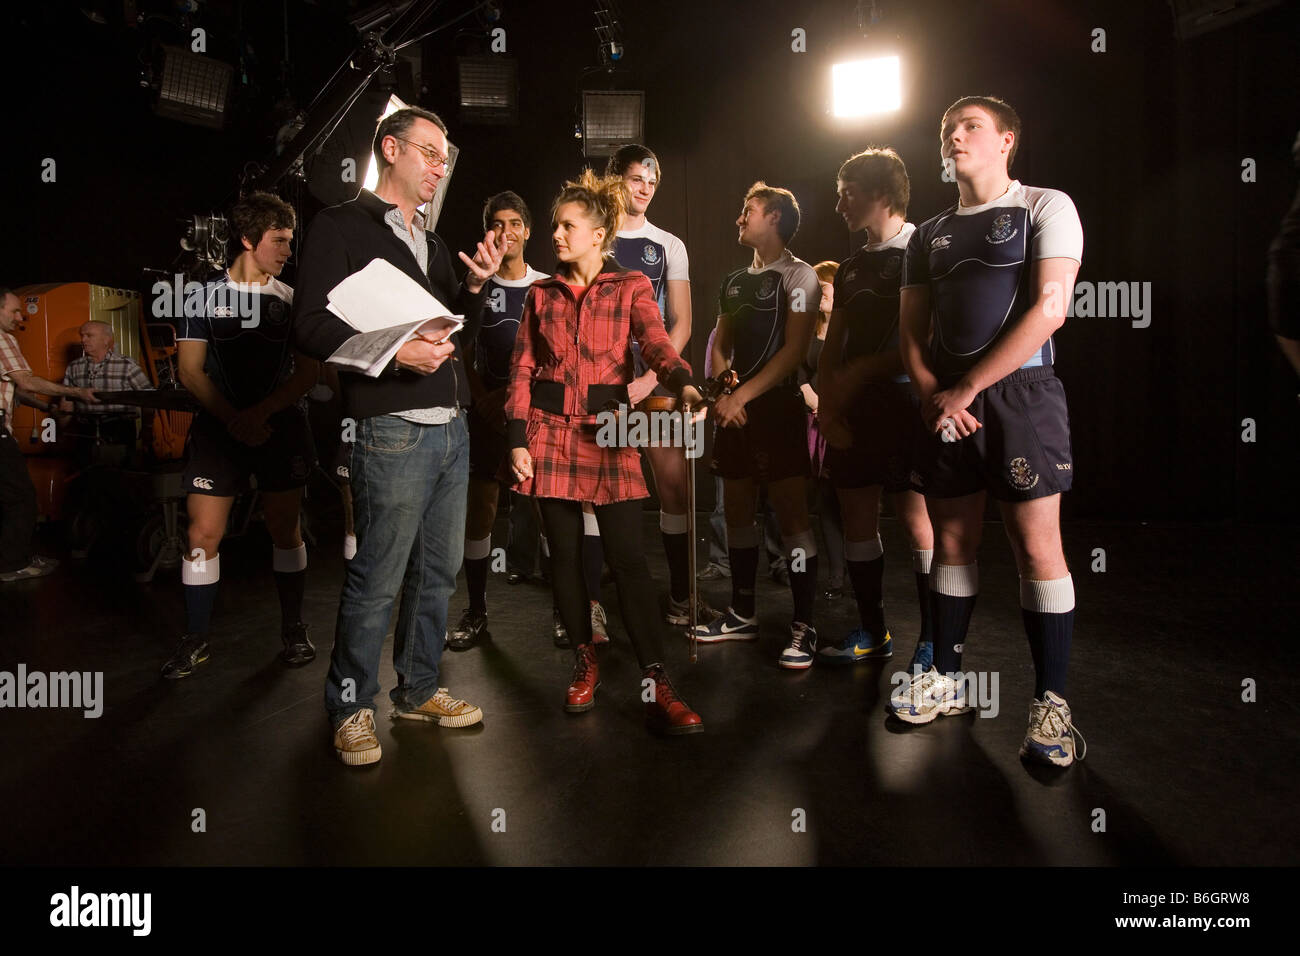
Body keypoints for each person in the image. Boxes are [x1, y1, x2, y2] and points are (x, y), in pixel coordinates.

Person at [294, 106, 503, 766]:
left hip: (452, 431)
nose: (441, 167)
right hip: (390, 431)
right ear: (391, 149)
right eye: (430, 153)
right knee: (377, 579)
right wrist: (392, 354)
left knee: (436, 576)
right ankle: (351, 705)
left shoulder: (435, 245)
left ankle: (416, 689)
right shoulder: (339, 225)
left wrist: (471, 287)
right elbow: (309, 326)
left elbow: (445, 330)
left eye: (446, 158)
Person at [892, 96, 1086, 768]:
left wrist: (968, 389)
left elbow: (1051, 309)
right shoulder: (928, 233)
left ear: (1007, 138)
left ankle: (1051, 707)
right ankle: (943, 676)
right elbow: (910, 331)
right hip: (946, 404)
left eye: (970, 125)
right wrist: (931, 395)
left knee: (1037, 548)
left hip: (1020, 397)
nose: (955, 135)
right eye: (948, 128)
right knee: (951, 540)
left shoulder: (1045, 205)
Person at [506, 168, 705, 734]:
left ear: (599, 234)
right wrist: (516, 439)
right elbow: (521, 368)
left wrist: (685, 382)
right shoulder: (540, 293)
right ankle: (584, 659)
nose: (557, 236)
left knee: (629, 561)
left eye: (568, 226)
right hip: (549, 430)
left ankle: (658, 678)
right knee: (565, 560)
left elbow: (658, 345)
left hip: (610, 429)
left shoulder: (631, 286)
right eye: (555, 226)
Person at [163, 190, 321, 679]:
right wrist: (235, 419)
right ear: (249, 239)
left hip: (279, 427)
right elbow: (191, 372)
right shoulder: (201, 298)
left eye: (291, 242)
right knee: (200, 535)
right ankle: (195, 637)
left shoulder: (293, 302)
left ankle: (293, 627)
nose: (288, 251)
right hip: (219, 430)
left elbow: (308, 372)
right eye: (280, 241)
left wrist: (261, 415)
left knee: (285, 530)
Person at [695, 183, 823, 671]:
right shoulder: (732, 282)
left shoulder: (800, 275)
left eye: (747, 211)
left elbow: (794, 351)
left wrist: (742, 395)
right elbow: (721, 343)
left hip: (777, 411)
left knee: (792, 520)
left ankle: (804, 623)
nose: (739, 219)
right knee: (738, 515)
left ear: (773, 217)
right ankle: (742, 612)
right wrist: (726, 389)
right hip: (734, 411)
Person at [817, 148, 936, 671]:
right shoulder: (848, 267)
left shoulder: (924, 249)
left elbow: (926, 339)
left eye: (848, 190)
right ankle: (873, 630)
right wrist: (827, 406)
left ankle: (934, 641)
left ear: (882, 194)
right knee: (857, 517)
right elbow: (831, 346)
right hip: (853, 408)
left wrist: (862, 371)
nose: (839, 201)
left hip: (908, 402)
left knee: (917, 522)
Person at [606, 145, 717, 628]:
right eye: (635, 178)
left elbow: (684, 322)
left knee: (674, 489)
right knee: (598, 489)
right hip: (603, 386)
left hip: (656, 384)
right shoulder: (593, 237)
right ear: (615, 181)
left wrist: (651, 376)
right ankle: (591, 607)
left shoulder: (669, 245)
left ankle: (679, 597)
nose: (645, 187)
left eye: (652, 180)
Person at [448, 190, 554, 650]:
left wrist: (520, 400)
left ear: (527, 230)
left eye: (515, 223)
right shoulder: (477, 282)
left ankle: (567, 611)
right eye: (497, 224)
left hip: (535, 415)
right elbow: (460, 349)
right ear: (487, 231)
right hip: (486, 412)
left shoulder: (549, 285)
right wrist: (481, 397)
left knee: (550, 510)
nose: (506, 232)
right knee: (481, 511)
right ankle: (476, 610)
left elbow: (556, 357)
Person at [0, 288, 97, 582]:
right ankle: (12, 564)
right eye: (14, 311)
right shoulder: (3, 339)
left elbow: (14, 390)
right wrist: (77, 392)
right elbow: (25, 382)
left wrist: (46, 407)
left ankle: (17, 555)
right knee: (22, 498)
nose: (20, 318)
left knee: (8, 497)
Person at [800, 260, 847, 601]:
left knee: (845, 497)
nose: (821, 294)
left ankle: (851, 568)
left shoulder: (852, 330)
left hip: (843, 420)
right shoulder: (806, 330)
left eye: (825, 287)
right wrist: (812, 398)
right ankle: (834, 575)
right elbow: (798, 372)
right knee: (820, 498)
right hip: (811, 419)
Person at [59, 320, 153, 466]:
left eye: (89, 335)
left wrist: (147, 428)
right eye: (82, 335)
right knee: (85, 477)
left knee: (118, 478)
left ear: (106, 339)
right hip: (85, 432)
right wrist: (61, 430)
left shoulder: (126, 365)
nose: (83, 340)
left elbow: (147, 398)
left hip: (118, 430)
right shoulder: (74, 367)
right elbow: (67, 401)